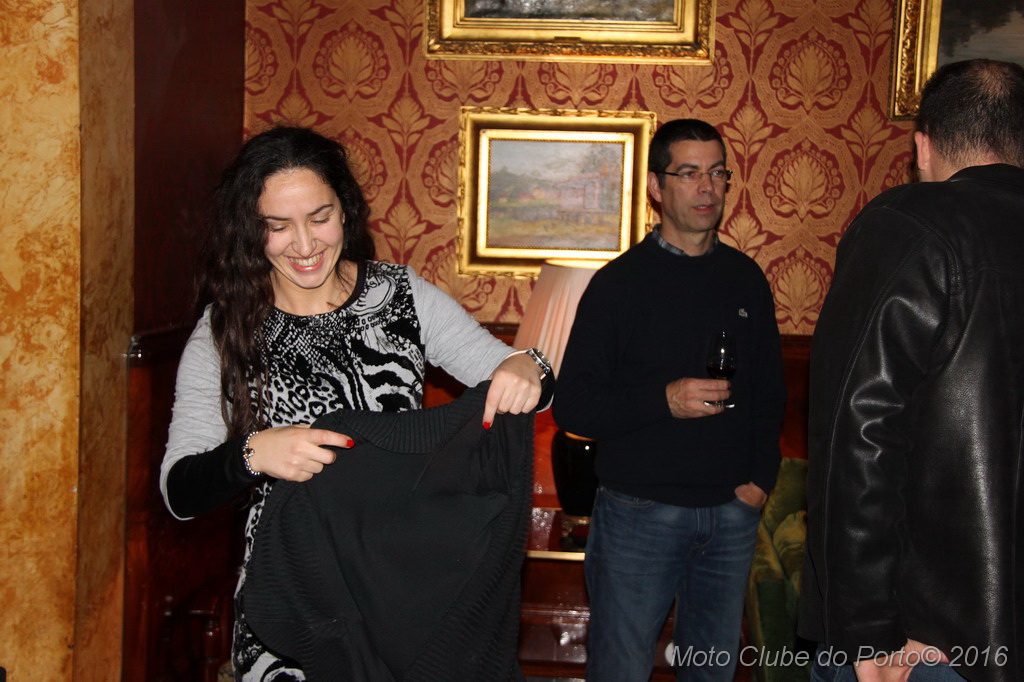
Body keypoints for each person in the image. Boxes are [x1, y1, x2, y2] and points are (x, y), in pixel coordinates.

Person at [159, 126, 550, 681]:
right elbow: (179, 492)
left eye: (319, 218)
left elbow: (521, 378)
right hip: (291, 598)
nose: (304, 245)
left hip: (401, 594)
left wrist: (529, 366)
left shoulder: (401, 297)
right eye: (277, 226)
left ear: (345, 210)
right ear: (250, 229)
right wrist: (252, 453)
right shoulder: (223, 330)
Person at [798, 59, 1024, 682]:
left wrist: (867, 631)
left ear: (922, 148)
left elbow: (859, 432)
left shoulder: (914, 225)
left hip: (927, 640)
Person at [554, 118, 786, 681]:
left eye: (717, 173)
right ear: (657, 187)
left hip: (731, 513)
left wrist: (759, 480)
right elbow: (573, 406)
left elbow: (770, 391)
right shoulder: (618, 285)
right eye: (689, 173)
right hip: (639, 514)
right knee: (620, 670)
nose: (707, 187)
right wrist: (664, 400)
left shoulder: (746, 278)